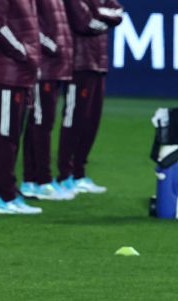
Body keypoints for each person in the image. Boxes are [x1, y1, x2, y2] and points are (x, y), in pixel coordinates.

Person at [0, 0, 41, 214]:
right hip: (6, 75)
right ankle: (7, 197)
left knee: (6, 136)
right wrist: (25, 53)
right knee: (7, 137)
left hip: (18, 74)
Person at [57, 0, 123, 194]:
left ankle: (79, 172)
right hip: (78, 64)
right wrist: (105, 18)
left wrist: (99, 15)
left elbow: (119, 12)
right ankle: (64, 175)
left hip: (98, 64)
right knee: (74, 120)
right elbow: (83, 23)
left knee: (91, 122)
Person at [19, 0, 74, 201]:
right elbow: (29, 24)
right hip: (43, 68)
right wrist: (54, 47)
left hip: (54, 68)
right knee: (39, 124)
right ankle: (40, 180)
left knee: (43, 123)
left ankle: (34, 180)